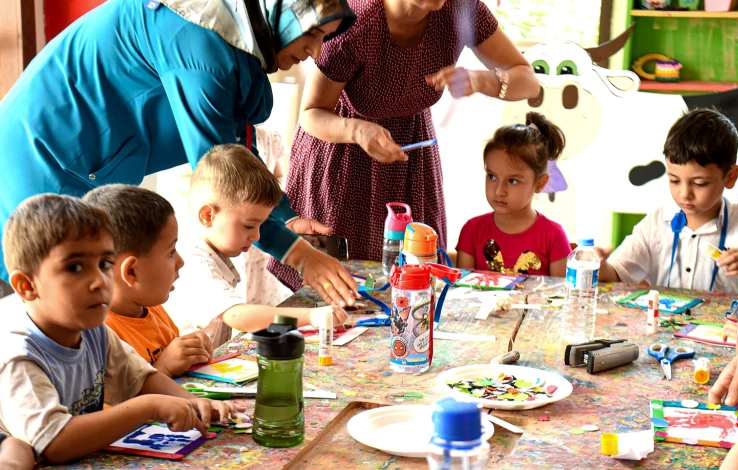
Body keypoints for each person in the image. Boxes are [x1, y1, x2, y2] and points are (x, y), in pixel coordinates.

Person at [0, 0, 358, 307]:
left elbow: (237, 156)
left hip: (79, 161)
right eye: (312, 34)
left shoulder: (226, 31)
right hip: (41, 158)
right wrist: (299, 254)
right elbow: (225, 183)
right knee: (50, 303)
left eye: (324, 39)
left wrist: (282, 217)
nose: (316, 53)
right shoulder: (201, 47)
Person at [271, 0, 541, 289]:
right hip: (343, 154)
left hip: (411, 157)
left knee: (412, 281)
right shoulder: (357, 20)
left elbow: (528, 82)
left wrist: (482, 80)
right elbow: (311, 114)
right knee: (335, 287)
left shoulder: (461, 9)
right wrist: (358, 131)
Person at [0, 194, 234, 464]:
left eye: (104, 264)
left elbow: (140, 379)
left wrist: (192, 402)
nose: (100, 281)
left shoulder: (94, 333)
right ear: (27, 286)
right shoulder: (19, 357)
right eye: (75, 267)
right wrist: (150, 407)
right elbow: (56, 443)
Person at [166, 144, 348, 345]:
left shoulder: (215, 250)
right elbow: (238, 317)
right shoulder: (196, 261)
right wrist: (311, 317)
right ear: (208, 215)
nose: (256, 235)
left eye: (261, 224)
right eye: (249, 225)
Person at [596, 109, 738, 295]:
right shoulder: (657, 222)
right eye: (674, 180)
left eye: (700, 184)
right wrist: (599, 266)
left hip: (726, 324)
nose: (684, 194)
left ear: (730, 177)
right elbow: (618, 272)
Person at [84, 184, 214, 376]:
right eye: (171, 252)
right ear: (131, 272)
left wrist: (190, 351)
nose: (181, 261)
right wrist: (163, 368)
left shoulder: (150, 307)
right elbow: (118, 403)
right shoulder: (98, 335)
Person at [456, 113, 571, 276]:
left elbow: (559, 296)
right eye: (492, 176)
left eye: (513, 181)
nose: (498, 191)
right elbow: (463, 293)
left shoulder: (553, 236)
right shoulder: (472, 231)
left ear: (540, 183)